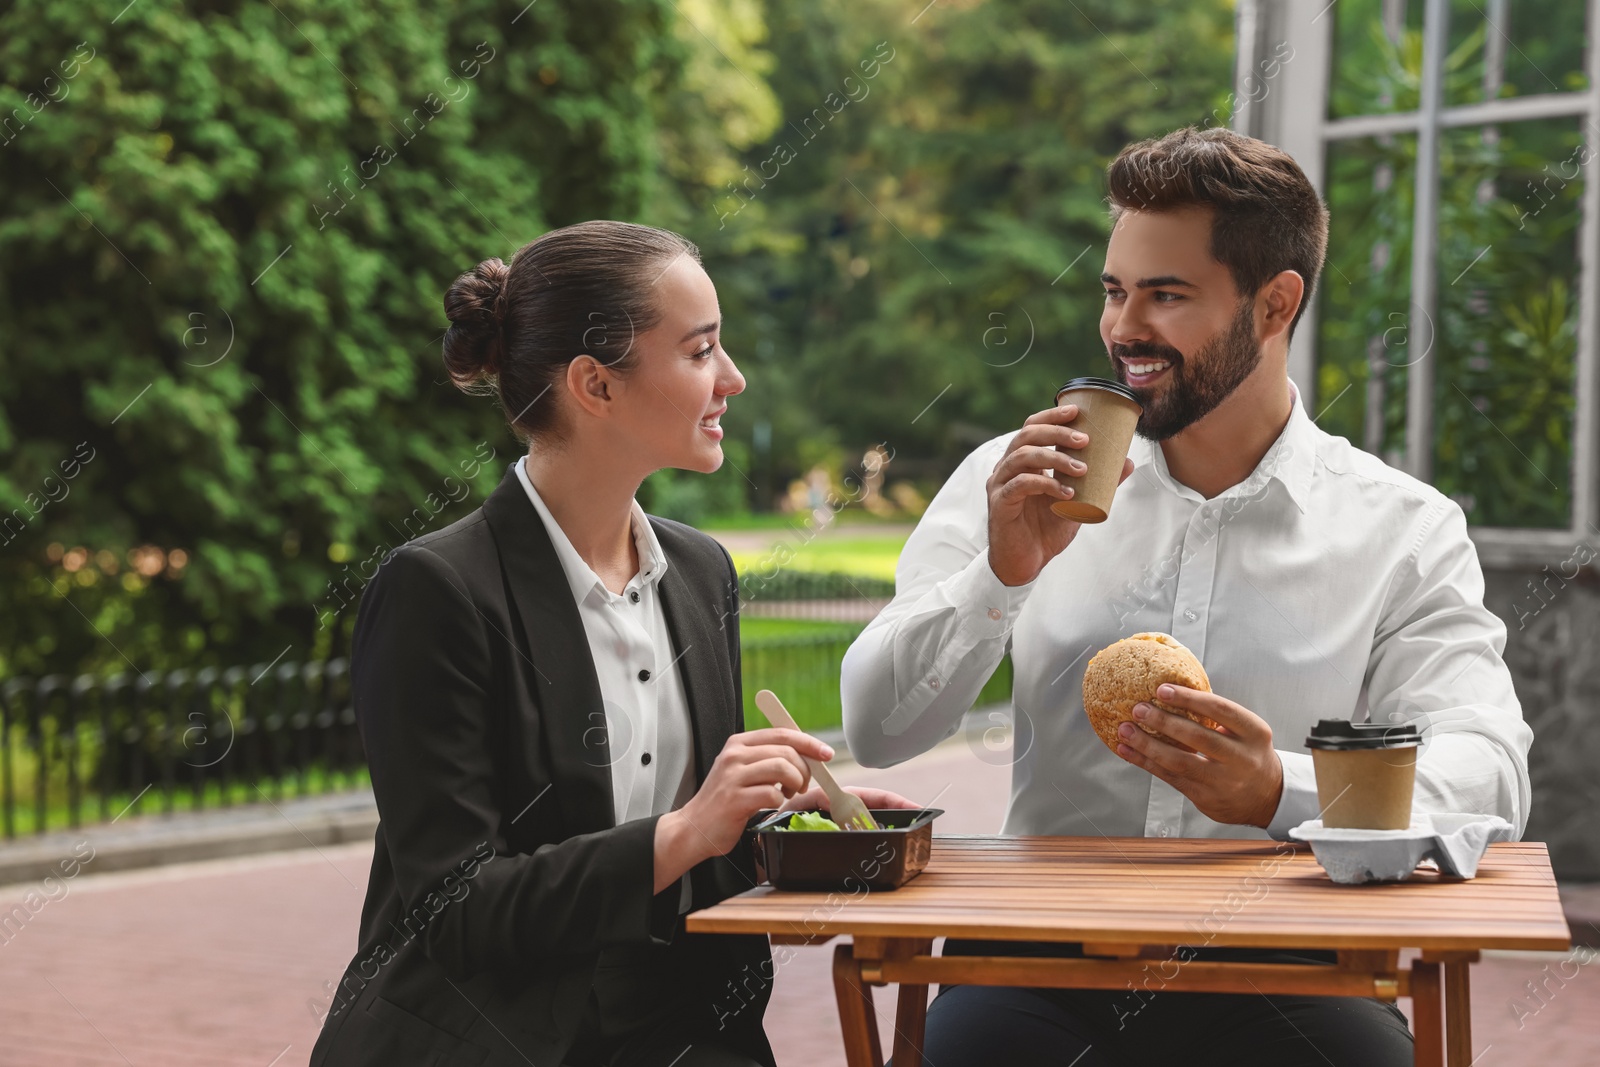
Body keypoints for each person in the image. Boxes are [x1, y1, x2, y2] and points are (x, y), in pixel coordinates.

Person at [840, 127, 1533, 1066]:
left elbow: (1490, 769)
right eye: (1115, 290)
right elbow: (879, 728)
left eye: (1166, 295)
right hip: (1035, 960)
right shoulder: (1013, 481)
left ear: (1275, 301)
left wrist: (1281, 790)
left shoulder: (1400, 528)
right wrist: (999, 577)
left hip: (1287, 964)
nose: (1124, 328)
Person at [310, 220, 916, 1067]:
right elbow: (457, 910)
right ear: (595, 385)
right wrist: (692, 826)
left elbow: (685, 847)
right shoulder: (438, 592)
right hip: (498, 1035)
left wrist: (801, 830)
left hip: (685, 1027)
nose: (732, 379)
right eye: (701, 350)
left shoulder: (701, 573)